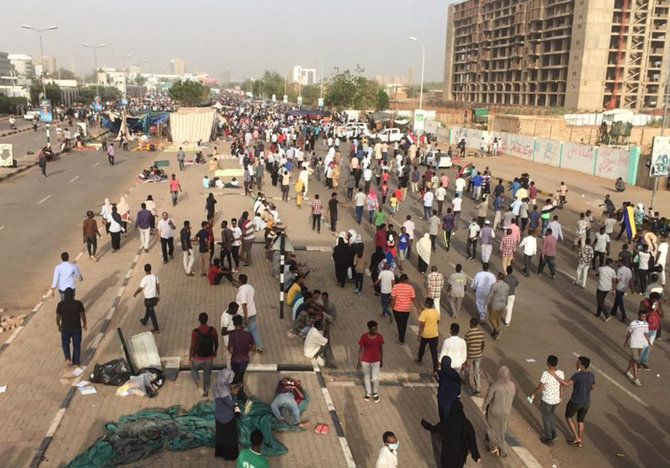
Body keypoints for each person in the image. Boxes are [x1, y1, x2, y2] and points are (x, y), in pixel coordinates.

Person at [547, 356, 595, 447]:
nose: (576, 364)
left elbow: (567, 383)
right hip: (586, 402)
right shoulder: (591, 375)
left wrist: (556, 376)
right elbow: (593, 387)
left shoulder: (577, 375)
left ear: (581, 365)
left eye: (577, 362)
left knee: (568, 417)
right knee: (581, 420)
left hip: (575, 401)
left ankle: (576, 437)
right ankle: (579, 441)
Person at [420, 401, 481, 468]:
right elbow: (472, 441)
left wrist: (426, 424)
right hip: (459, 457)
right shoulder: (467, 424)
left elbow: (435, 429)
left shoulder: (448, 422)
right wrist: (476, 456)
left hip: (447, 454)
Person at [529, 355, 564, 446]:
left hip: (547, 400)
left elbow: (540, 386)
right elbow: (561, 386)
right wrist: (561, 397)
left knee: (546, 419)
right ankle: (553, 433)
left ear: (548, 363)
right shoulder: (561, 373)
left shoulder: (545, 374)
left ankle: (548, 438)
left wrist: (533, 394)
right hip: (556, 400)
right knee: (551, 415)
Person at [482, 365, 516, 457]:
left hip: (494, 411)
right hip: (506, 412)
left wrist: (484, 408)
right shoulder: (512, 385)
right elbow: (512, 398)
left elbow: (488, 398)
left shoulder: (495, 385)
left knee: (490, 427)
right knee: (502, 430)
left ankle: (495, 446)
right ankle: (500, 449)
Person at [212, 369, 241, 460]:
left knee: (221, 435)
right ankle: (231, 455)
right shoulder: (226, 391)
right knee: (230, 437)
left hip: (218, 414)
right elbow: (232, 404)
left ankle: (220, 452)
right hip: (228, 417)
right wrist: (235, 393)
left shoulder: (215, 384)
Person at [190, 312, 218, 397]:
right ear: (207, 320)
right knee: (207, 375)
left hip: (198, 358)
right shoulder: (213, 330)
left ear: (199, 320)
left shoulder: (195, 332)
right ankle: (205, 391)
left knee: (193, 369)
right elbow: (216, 343)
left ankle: (197, 381)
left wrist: (190, 357)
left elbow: (192, 346)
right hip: (209, 357)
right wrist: (215, 351)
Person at [56, 288, 86, 366]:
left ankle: (67, 358)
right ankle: (76, 362)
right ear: (73, 295)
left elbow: (58, 316)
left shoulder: (60, 304)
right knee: (76, 344)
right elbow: (82, 314)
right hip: (76, 327)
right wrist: (84, 324)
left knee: (65, 344)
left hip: (65, 328)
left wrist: (58, 324)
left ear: (65, 295)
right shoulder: (78, 303)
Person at [228, 314, 255, 397]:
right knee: (240, 377)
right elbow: (253, 348)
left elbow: (231, 351)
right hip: (245, 360)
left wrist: (229, 348)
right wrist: (247, 348)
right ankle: (240, 393)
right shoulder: (248, 334)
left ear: (234, 324)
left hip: (235, 361)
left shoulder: (232, 335)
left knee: (235, 379)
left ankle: (236, 395)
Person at [358, 320, 384, 402]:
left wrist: (381, 359)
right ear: (369, 329)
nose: (375, 331)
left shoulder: (379, 336)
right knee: (367, 377)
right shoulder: (364, 337)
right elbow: (360, 349)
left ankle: (375, 392)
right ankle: (368, 393)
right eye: (373, 329)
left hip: (376, 361)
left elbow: (381, 348)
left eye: (376, 329)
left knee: (375, 378)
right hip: (365, 361)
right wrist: (359, 361)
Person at [390, 274, 420, 344]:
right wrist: (418, 308)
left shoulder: (395, 287)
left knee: (399, 324)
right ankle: (402, 337)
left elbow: (393, 299)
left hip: (397, 309)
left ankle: (401, 339)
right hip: (406, 309)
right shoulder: (410, 288)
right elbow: (413, 299)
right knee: (404, 324)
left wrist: (392, 307)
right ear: (406, 280)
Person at [624, 309, 652, 386]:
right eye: (642, 316)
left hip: (641, 344)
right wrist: (626, 342)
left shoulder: (646, 324)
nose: (644, 318)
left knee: (633, 359)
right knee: (636, 360)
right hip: (633, 344)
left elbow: (646, 334)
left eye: (645, 317)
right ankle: (636, 379)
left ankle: (627, 371)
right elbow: (629, 333)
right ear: (639, 316)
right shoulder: (633, 323)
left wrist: (649, 344)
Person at [236, 274, 262, 352]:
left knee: (241, 330)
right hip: (253, 311)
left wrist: (246, 317)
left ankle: (243, 345)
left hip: (244, 314)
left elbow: (244, 305)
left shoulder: (242, 292)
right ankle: (259, 346)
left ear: (239, 281)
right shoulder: (250, 287)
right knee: (253, 330)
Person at [133, 263, 160, 333]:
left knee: (152, 313)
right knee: (149, 309)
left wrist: (135, 293)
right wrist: (158, 296)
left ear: (145, 270)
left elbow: (140, 288)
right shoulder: (155, 277)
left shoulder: (144, 279)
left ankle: (156, 328)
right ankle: (144, 321)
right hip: (154, 297)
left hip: (148, 299)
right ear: (150, 269)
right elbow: (158, 287)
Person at [639, 292, 662, 370]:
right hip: (646, 328)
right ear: (651, 299)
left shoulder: (658, 304)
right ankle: (637, 361)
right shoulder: (643, 303)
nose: (657, 301)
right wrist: (651, 310)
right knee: (643, 346)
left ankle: (643, 361)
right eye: (655, 300)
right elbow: (641, 316)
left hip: (654, 329)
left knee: (649, 347)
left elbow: (662, 315)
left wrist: (658, 309)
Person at [416, 298, 440, 371]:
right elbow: (438, 321)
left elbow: (422, 325)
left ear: (426, 304)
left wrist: (419, 335)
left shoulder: (424, 313)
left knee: (422, 348)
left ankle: (419, 360)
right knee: (434, 352)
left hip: (425, 334)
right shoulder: (436, 312)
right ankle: (435, 368)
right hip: (434, 334)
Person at [463, 318, 485, 395]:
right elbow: (483, 343)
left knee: (467, 368)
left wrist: (465, 355)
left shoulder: (468, 334)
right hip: (478, 355)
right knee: (476, 371)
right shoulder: (481, 333)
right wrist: (481, 350)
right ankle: (477, 388)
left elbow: (467, 346)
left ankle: (467, 382)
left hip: (470, 355)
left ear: (471, 324)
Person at [436, 356, 461, 421]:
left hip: (443, 398)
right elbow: (459, 388)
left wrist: (438, 368)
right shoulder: (456, 374)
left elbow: (437, 376)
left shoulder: (441, 373)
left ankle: (443, 427)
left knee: (442, 415)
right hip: (453, 399)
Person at [486, 273, 510, 340]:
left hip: (495, 304)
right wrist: (506, 303)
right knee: (497, 318)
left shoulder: (495, 285)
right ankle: (494, 332)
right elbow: (507, 295)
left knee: (491, 318)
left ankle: (497, 330)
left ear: (498, 277)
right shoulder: (507, 286)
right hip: (503, 305)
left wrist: (486, 303)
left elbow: (490, 295)